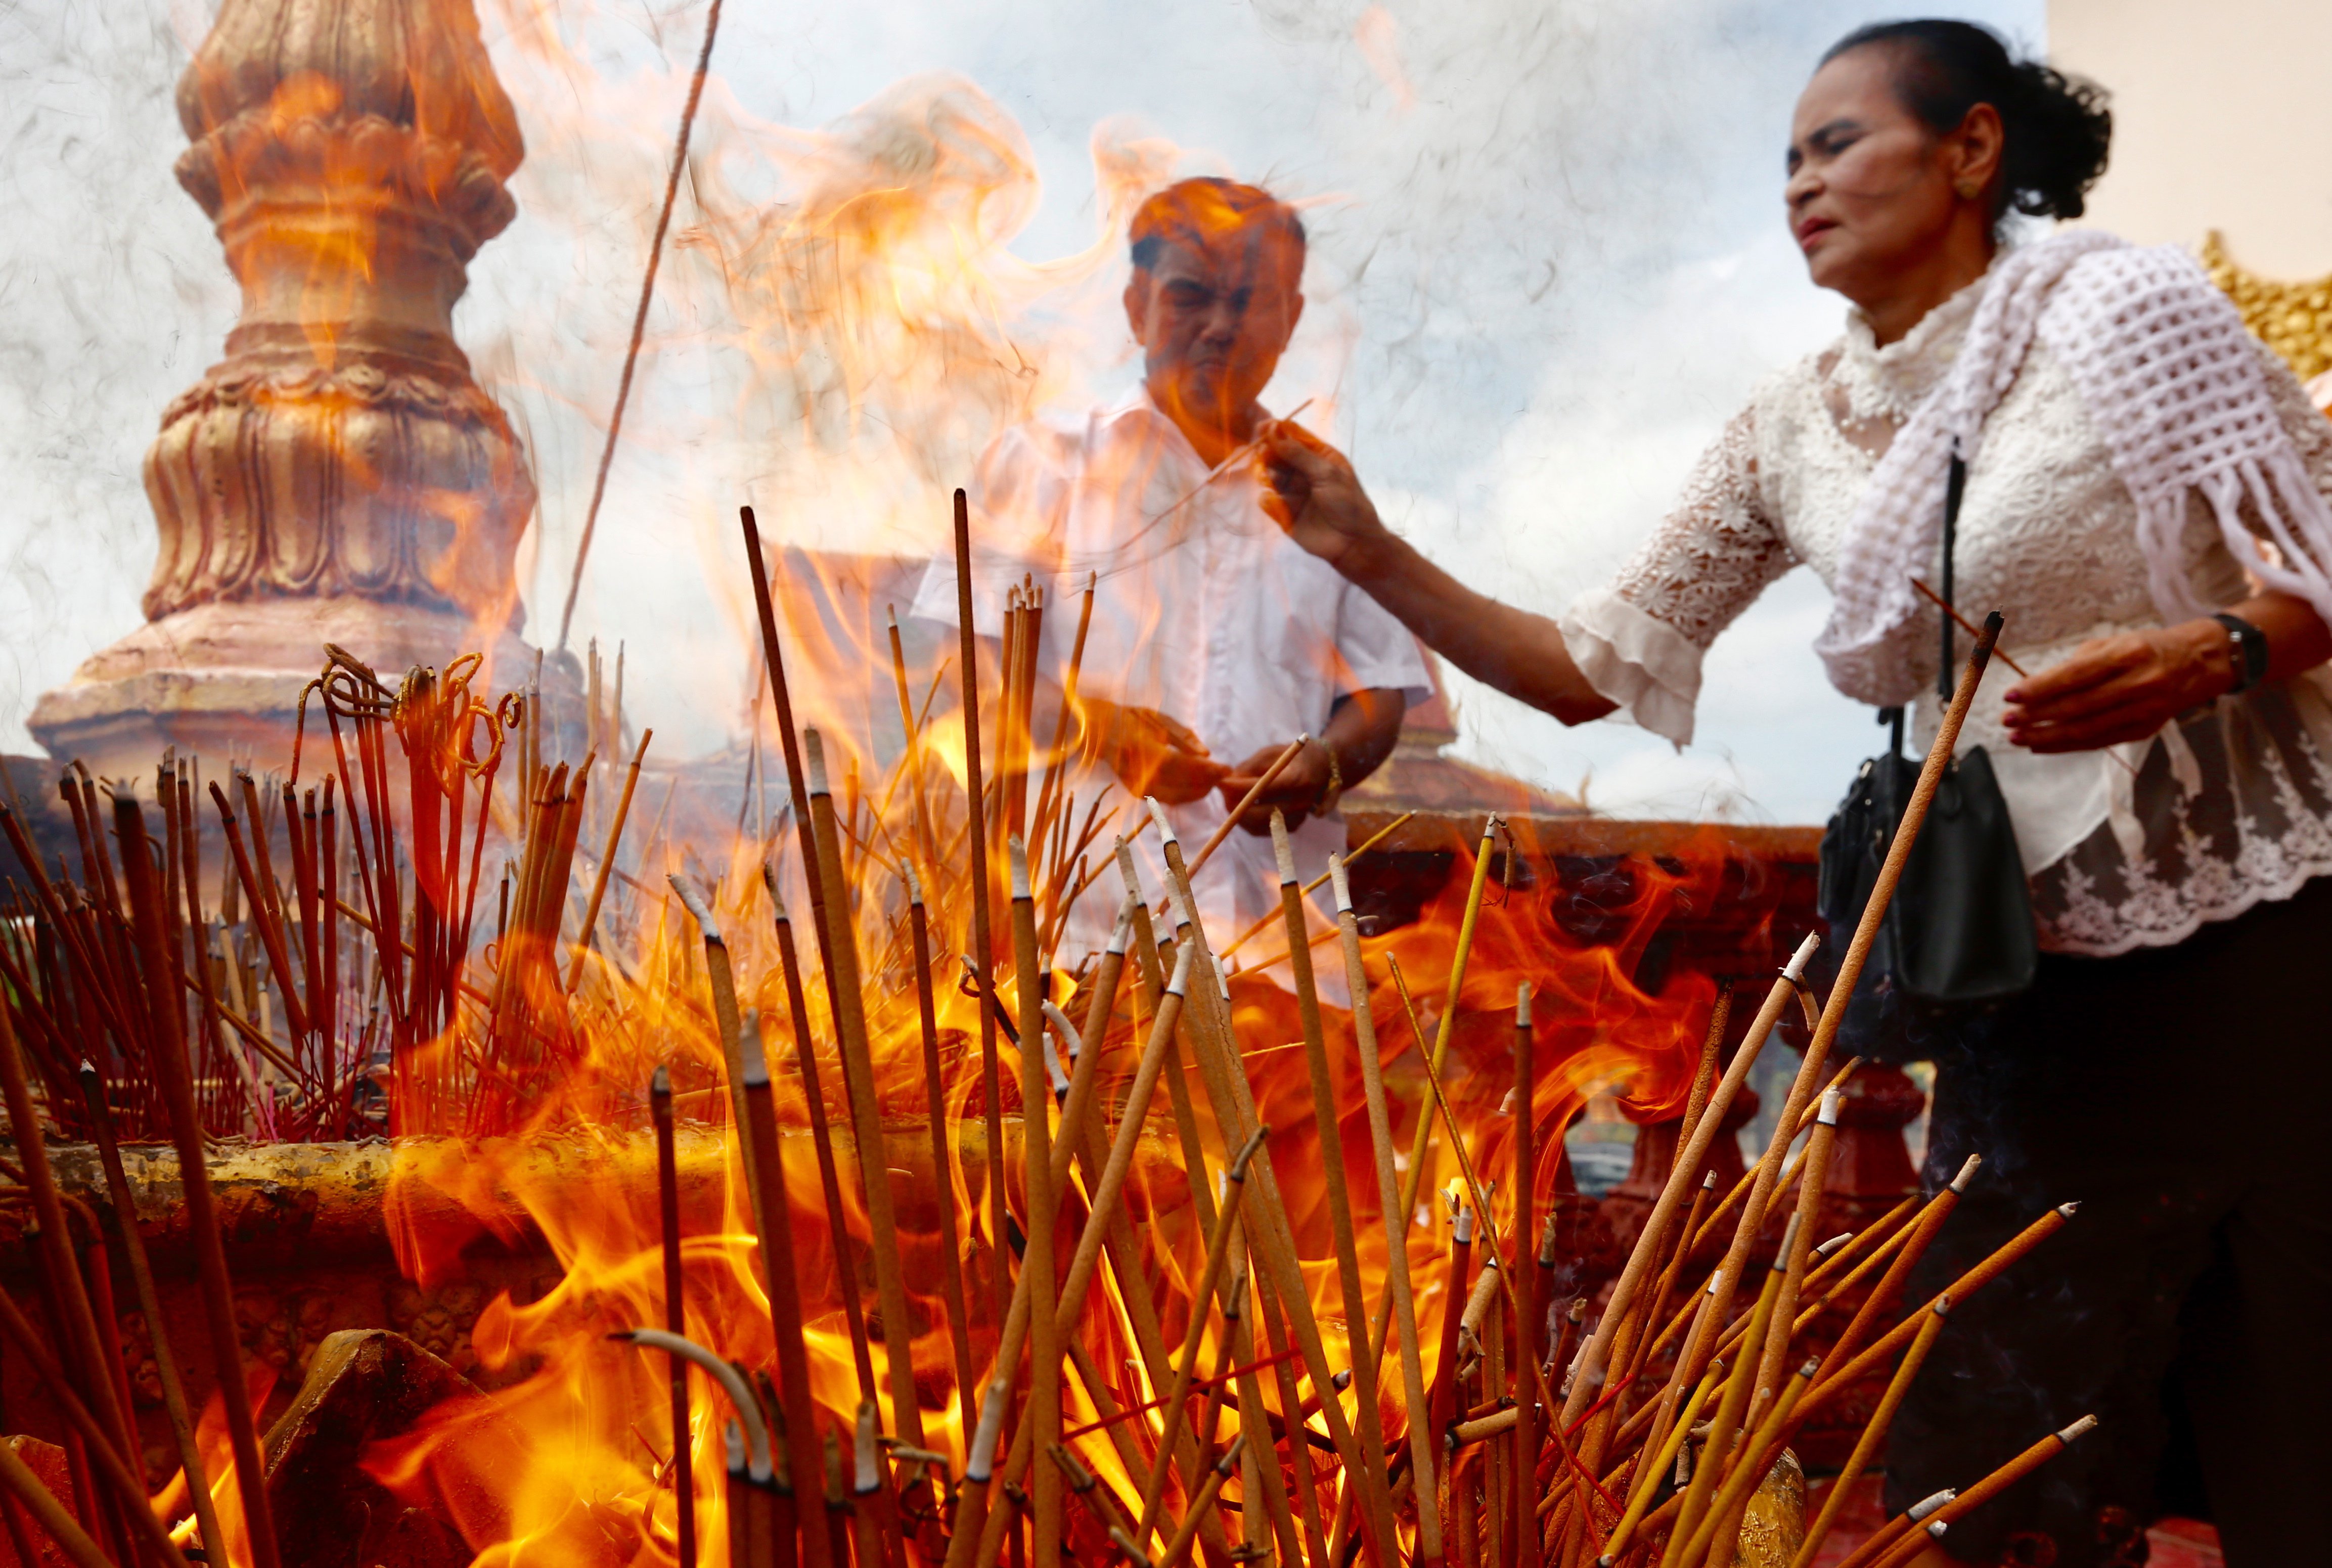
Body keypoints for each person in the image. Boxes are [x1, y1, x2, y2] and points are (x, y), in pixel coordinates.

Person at [1260, 20, 2332, 1568]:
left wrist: (2214, 650)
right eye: (1784, 160)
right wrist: (1369, 551)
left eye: (1836, 143)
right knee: (1984, 1455)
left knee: (2289, 1423)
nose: (1800, 183)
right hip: (2023, 989)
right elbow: (1584, 666)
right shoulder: (1794, 425)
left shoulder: (2123, 306)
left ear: (1969, 151)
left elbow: (2313, 557)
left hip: (2264, 955)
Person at [911, 177, 1428, 969]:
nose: (1221, 326)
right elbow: (967, 675)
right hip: (1078, 955)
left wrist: (1324, 763)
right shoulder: (1042, 462)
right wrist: (1102, 729)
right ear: (1137, 306)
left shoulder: (1327, 492)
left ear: (1289, 320)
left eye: (1252, 300)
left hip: (1284, 963)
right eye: (1191, 294)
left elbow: (1379, 697)